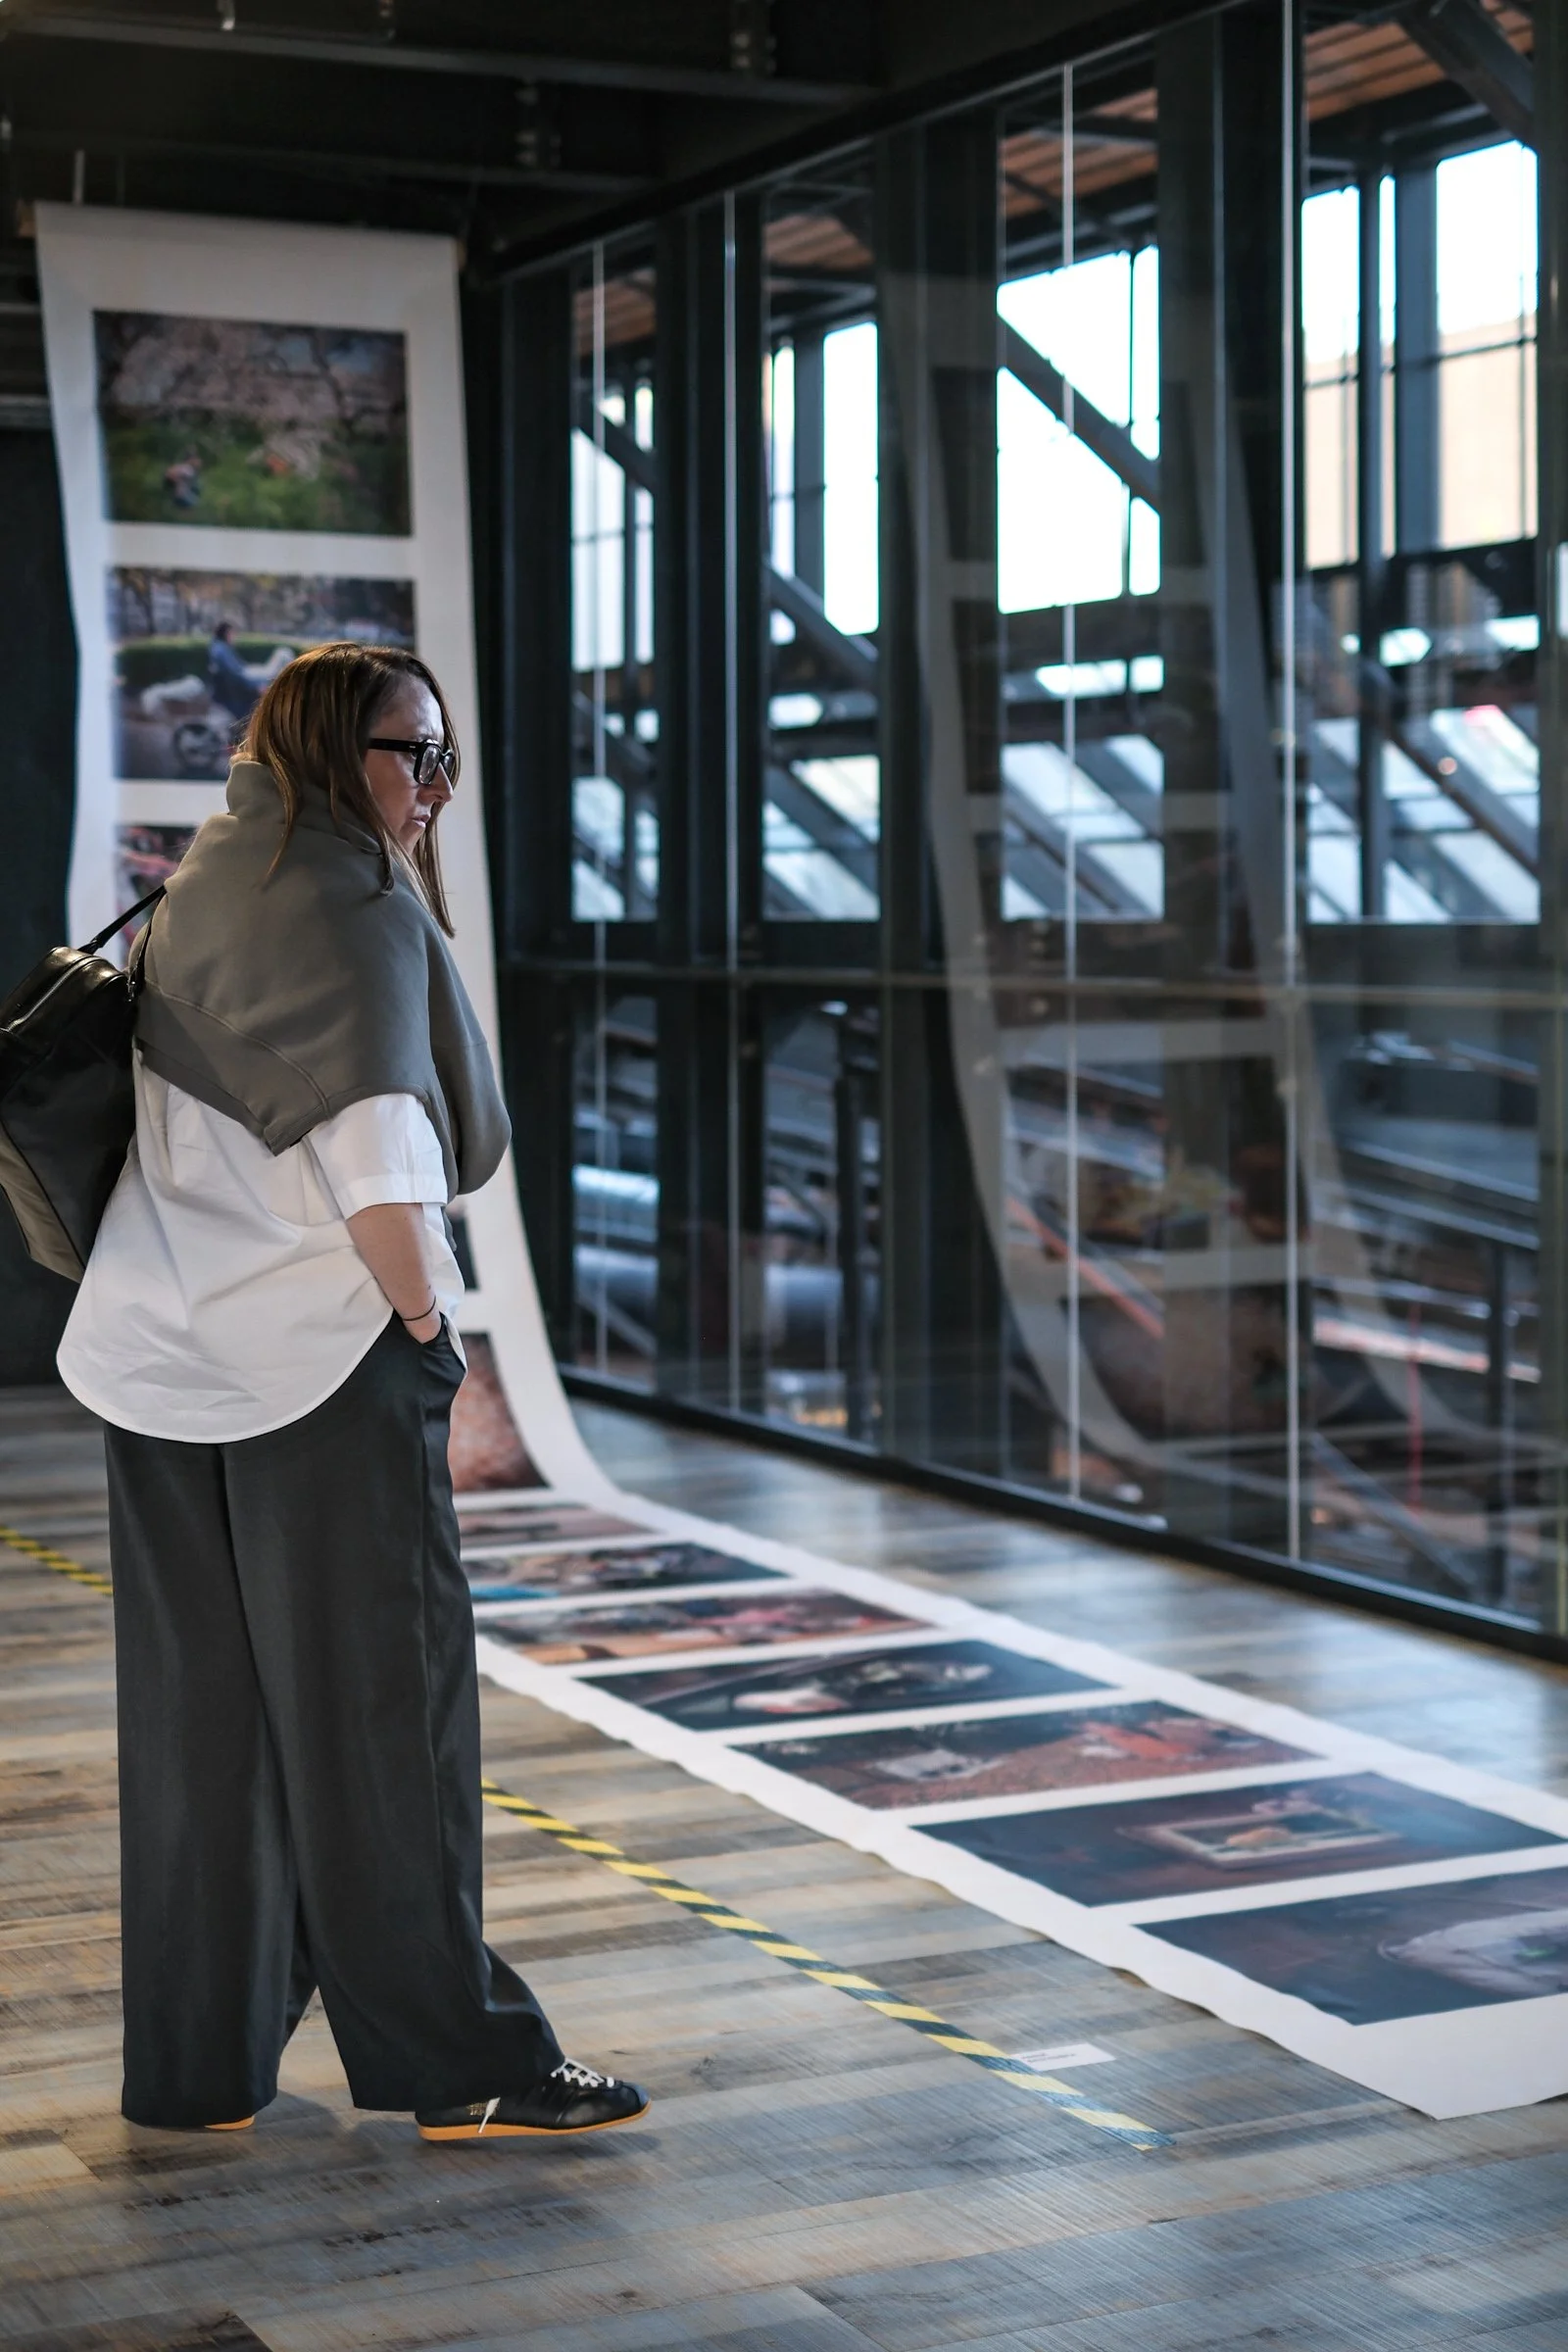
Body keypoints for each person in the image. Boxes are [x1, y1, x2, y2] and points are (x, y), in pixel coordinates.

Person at [57, 643, 648, 2144]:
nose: (435, 787)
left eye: (444, 757)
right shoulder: (353, 906)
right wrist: (430, 1326)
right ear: (336, 751)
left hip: (154, 1358)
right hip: (318, 1367)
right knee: (388, 1723)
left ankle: (199, 2068)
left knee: (207, 1733)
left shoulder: (211, 879)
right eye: (412, 754)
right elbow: (381, 1163)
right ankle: (459, 2061)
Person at [206, 619, 259, 724]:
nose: (235, 636)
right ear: (226, 633)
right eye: (233, 633)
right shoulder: (221, 650)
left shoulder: (220, 647)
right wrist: (255, 686)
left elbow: (239, 668)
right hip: (233, 694)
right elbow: (235, 674)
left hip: (231, 690)